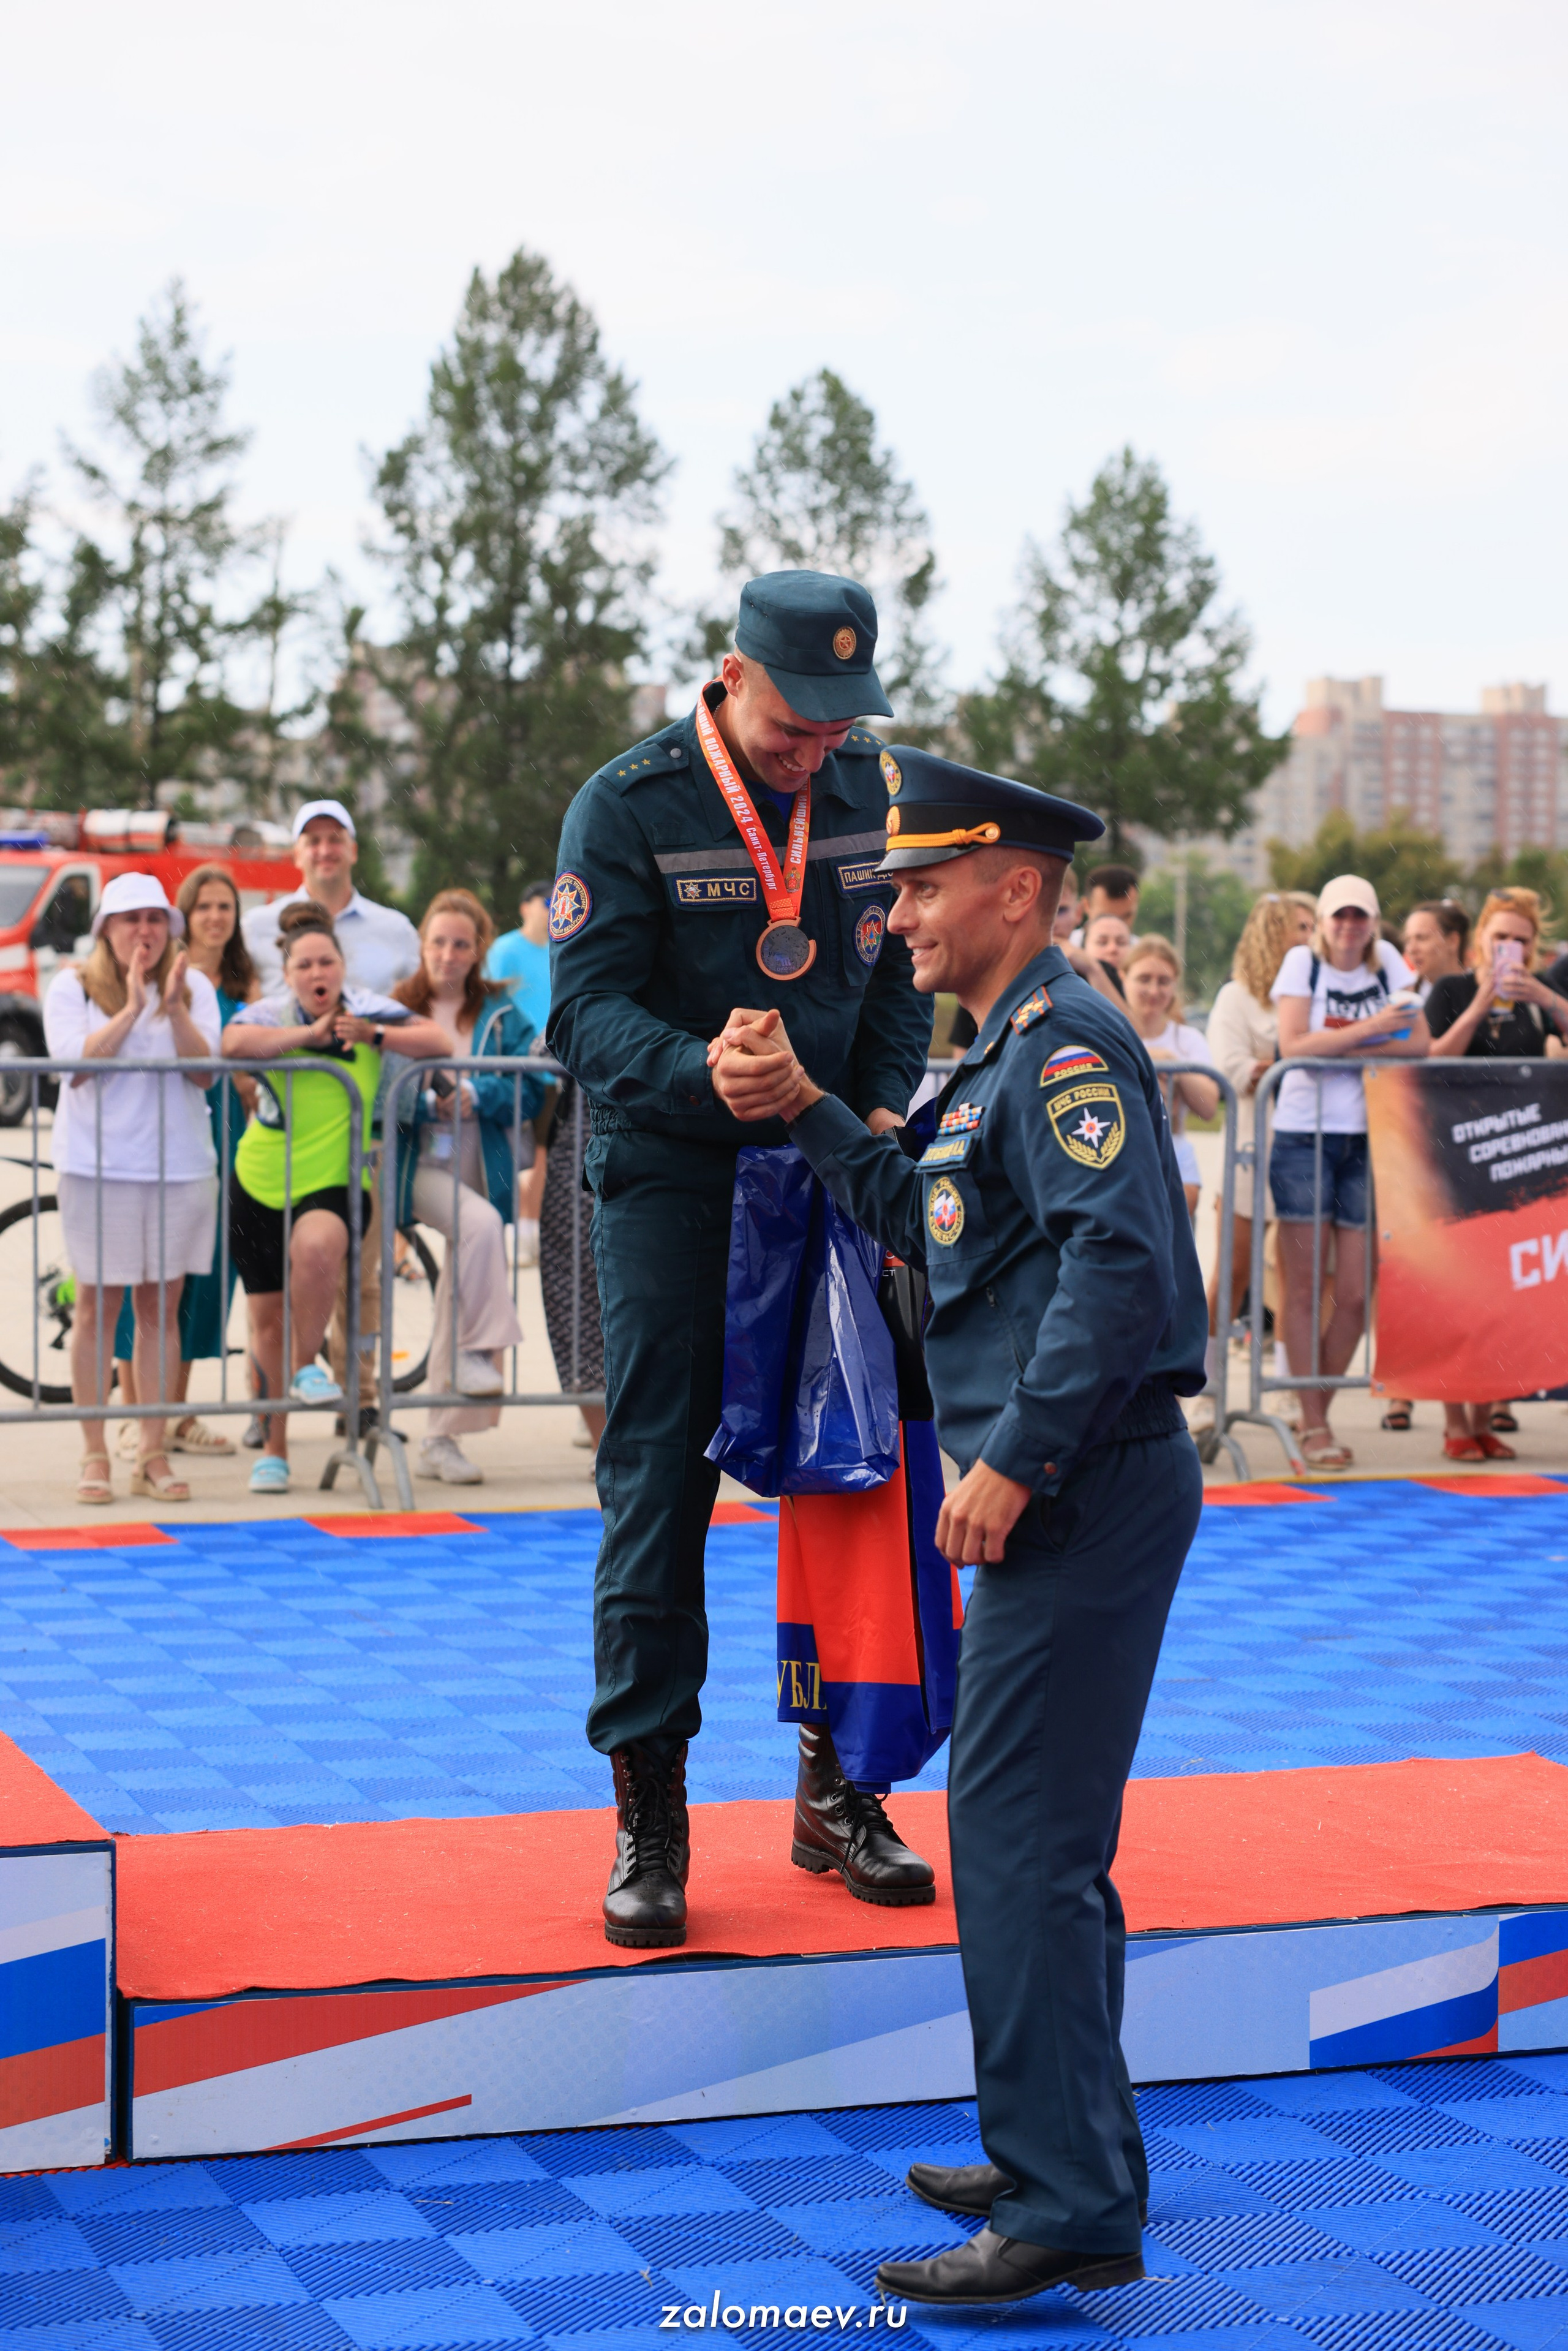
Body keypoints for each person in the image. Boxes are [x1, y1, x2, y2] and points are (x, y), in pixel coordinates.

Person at [708, 748, 1205, 2305]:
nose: (897, 914)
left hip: (1076, 1485)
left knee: (1015, 1845)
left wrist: (1012, 1461)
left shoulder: (1062, 1052)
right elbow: (924, 1217)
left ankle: (1060, 2199)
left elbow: (1115, 1272)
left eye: (920, 886)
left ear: (1013, 888)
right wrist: (801, 1108)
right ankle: (1052, 2144)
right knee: (1036, 1844)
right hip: (1057, 1490)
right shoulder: (994, 1056)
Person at [546, 570, 935, 1949]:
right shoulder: (629, 802)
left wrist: (880, 1102)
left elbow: (895, 984)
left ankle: (843, 1783)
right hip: (675, 1183)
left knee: (856, 1477)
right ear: (727, 672)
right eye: (792, 719)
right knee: (658, 1484)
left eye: (839, 722)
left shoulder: (875, 792)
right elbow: (580, 1020)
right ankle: (650, 1809)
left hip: (835, 1169)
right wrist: (703, 1069)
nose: (814, 745)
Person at [223, 902, 447, 1492]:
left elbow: (439, 1040)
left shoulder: (368, 1008)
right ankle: (274, 1448)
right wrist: (307, 1036)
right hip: (260, 1175)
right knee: (266, 1318)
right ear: (289, 972)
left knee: (321, 1249)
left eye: (327, 960)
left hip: (338, 1177)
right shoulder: (271, 1013)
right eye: (305, 963)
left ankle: (303, 1367)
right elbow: (231, 1042)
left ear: (342, 967)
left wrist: (371, 1034)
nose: (317, 971)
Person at [43, 874, 221, 1506]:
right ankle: (95, 1451)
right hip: (97, 1168)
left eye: (154, 919)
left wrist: (170, 1007)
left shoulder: (193, 985)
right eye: (130, 919)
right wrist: (130, 1008)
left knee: (159, 1311)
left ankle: (152, 1450)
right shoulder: (72, 986)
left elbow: (205, 1073)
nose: (144, 931)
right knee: (96, 1309)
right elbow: (74, 1069)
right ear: (106, 931)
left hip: (177, 1168)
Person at [241, 799, 421, 1404]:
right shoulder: (257, 925)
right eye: (311, 840)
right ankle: (269, 1408)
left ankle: (361, 1404)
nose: (324, 849)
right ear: (296, 853)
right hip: (280, 1127)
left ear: (352, 848)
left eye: (334, 838)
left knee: (360, 1279)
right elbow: (242, 1017)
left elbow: (418, 1014)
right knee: (272, 1280)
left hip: (367, 1125)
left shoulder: (394, 928)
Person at [388, 889, 547, 1484]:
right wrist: (423, 1101)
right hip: (416, 1167)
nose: (448, 954)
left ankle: (441, 1436)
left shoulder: (503, 1014)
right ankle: (482, 1349)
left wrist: (481, 1094)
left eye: (461, 944)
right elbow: (381, 1086)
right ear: (422, 944)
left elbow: (533, 1086)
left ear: (479, 950)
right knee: (478, 1225)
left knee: (462, 1287)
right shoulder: (397, 1007)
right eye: (438, 942)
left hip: (484, 1160)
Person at [1411, 887, 1568, 1462]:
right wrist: (1480, 1004)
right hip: (1454, 1157)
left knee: (1505, 1294)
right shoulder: (1453, 989)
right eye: (1500, 938)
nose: (1510, 949)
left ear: (1534, 948)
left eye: (1520, 941)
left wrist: (1548, 1000)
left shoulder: (1539, 998)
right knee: (1458, 1292)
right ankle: (1455, 1422)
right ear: (1481, 941)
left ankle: (1486, 1416)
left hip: (1516, 1168)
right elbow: (1431, 1059)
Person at [1268, 874, 1418, 1470]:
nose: (1349, 926)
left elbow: (1419, 1044)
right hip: (1302, 1136)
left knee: (1354, 1293)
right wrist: (1370, 1033)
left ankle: (1316, 1412)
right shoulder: (1300, 964)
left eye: (1360, 916)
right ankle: (1312, 1423)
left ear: (1374, 921)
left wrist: (1338, 1045)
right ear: (1324, 921)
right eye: (1340, 916)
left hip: (1366, 1136)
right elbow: (1291, 1046)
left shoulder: (1390, 968)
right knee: (1303, 1288)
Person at [111, 865, 258, 1462]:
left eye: (226, 907)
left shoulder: (243, 983)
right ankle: (135, 1410)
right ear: (186, 914)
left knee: (206, 1275)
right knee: (142, 1279)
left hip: (230, 1131)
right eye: (205, 907)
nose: (216, 917)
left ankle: (179, 1409)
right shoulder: (164, 975)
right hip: (166, 1129)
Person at [1200, 892, 1316, 1420]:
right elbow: (1230, 1069)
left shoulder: (1318, 996)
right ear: (1274, 933)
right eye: (1302, 926)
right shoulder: (1236, 997)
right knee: (1231, 1276)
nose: (1313, 938)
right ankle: (1205, 1393)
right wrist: (1294, 1055)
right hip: (1249, 1151)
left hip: (1305, 1153)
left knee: (1298, 1278)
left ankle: (1291, 1390)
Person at [1377, 899, 1471, 1433]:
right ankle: (1406, 1386)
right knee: (1406, 1272)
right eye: (1408, 938)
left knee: (1454, 1275)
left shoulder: (1469, 992)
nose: (1412, 947)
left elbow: (1439, 1057)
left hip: (1457, 1148)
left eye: (1423, 937)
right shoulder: (1405, 996)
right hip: (1410, 1147)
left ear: (1453, 939)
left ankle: (1472, 1401)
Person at [1120, 935, 1218, 1219]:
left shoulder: (1188, 1039)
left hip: (1172, 1145)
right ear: (1123, 978)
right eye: (1144, 979)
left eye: (1163, 981)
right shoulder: (1108, 1031)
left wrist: (1173, 1064)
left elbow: (1209, 1107)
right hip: (1122, 1150)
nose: (1154, 990)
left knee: (1178, 1216)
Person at [485, 880, 554, 1266]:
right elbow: (491, 1001)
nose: (551, 908)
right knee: (508, 1152)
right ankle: (509, 1229)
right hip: (513, 1066)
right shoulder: (505, 950)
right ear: (525, 906)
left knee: (545, 1153)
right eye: (546, 901)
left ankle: (529, 1231)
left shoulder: (562, 947)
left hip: (555, 1070)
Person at [1402, 899, 1469, 1003]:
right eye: (1407, 940)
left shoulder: (1482, 989)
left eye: (1421, 938)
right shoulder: (1404, 996)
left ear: (1453, 941)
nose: (1411, 949)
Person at [1074, 862, 1139, 935]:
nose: (1117, 927)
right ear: (1086, 905)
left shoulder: (1143, 946)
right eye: (1107, 917)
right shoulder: (1061, 945)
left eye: (1126, 917)